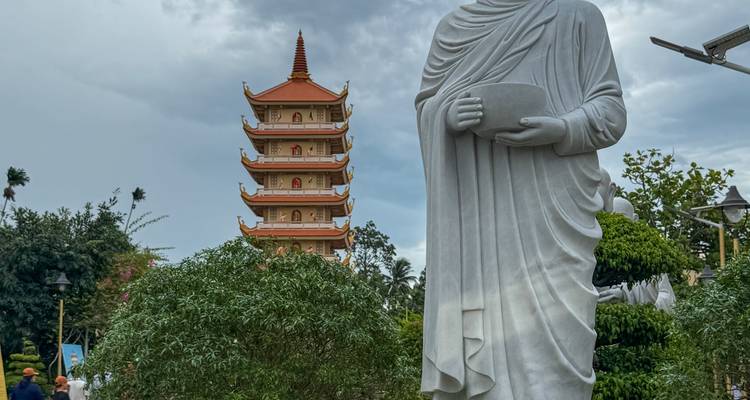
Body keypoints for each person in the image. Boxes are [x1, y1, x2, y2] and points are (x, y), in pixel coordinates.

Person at [416, 0, 626, 398]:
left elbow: (611, 111)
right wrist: (446, 117)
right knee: (491, 342)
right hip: (481, 212)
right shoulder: (454, 29)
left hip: (555, 209)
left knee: (560, 362)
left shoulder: (577, 15)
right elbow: (428, 105)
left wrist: (563, 128)